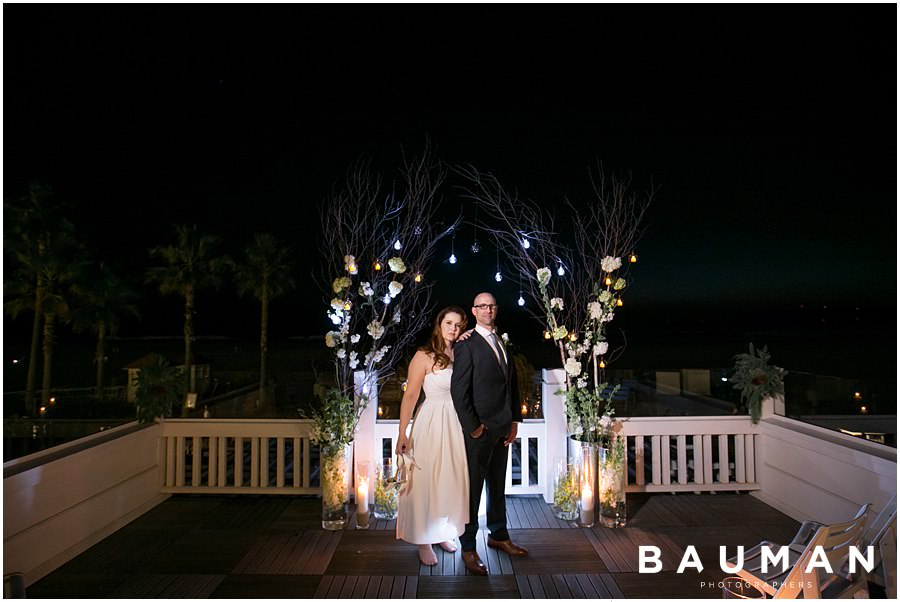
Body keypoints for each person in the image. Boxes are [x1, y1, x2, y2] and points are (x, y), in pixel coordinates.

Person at [450, 292, 528, 576]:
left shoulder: (500, 341)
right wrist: (474, 427)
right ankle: (468, 547)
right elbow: (459, 391)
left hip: (503, 428)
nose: (488, 310)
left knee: (497, 487)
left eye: (492, 306)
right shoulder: (466, 345)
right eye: (482, 306)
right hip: (479, 432)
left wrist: (515, 420)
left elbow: (511, 383)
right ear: (474, 310)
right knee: (471, 491)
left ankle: (498, 535)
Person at [395, 306, 470, 566]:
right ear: (439, 325)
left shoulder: (460, 352)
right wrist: (402, 432)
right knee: (425, 479)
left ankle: (439, 533)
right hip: (430, 421)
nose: (453, 328)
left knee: (447, 479)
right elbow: (411, 396)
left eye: (458, 324)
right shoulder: (424, 355)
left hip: (455, 423)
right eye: (448, 323)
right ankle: (423, 541)